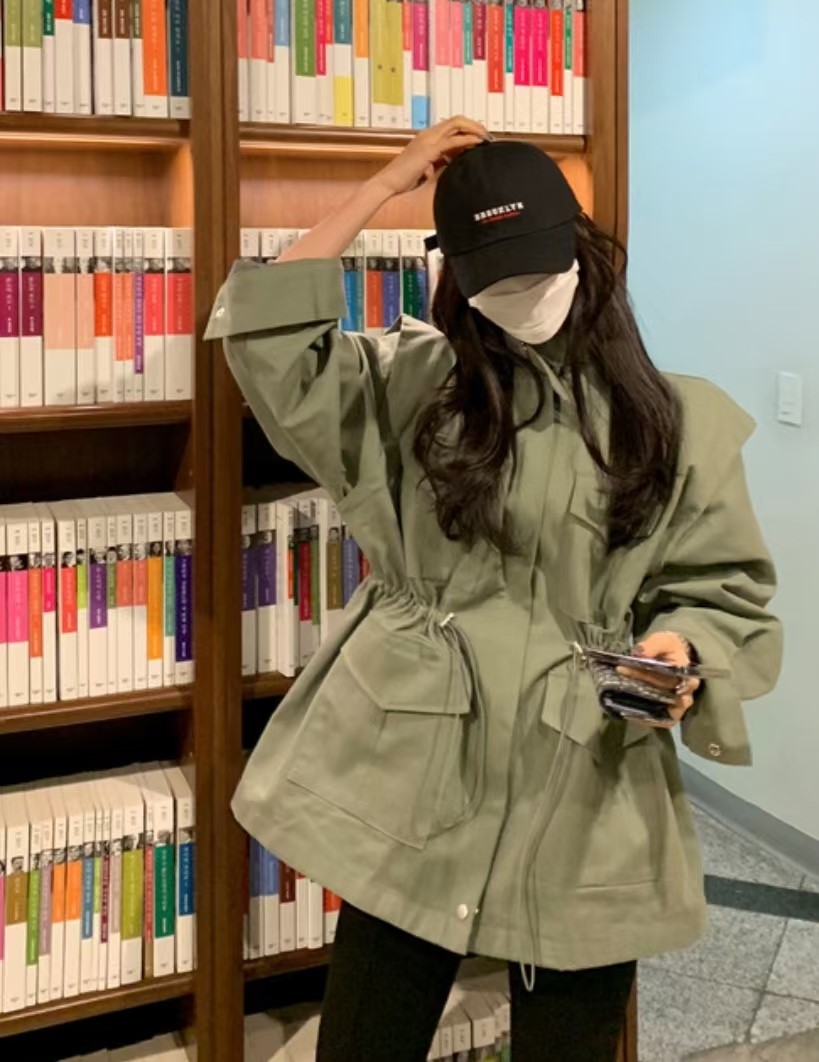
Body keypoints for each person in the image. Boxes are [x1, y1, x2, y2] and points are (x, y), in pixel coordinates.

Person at [205, 118, 782, 1061]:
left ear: (582, 252)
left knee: (570, 1036)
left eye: (536, 268)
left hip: (587, 775)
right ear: (455, 277)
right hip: (418, 769)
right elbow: (269, 338)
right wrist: (381, 187)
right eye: (492, 276)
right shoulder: (410, 387)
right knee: (364, 1041)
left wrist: (678, 649)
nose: (521, 295)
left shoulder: (677, 420)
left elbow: (719, 589)